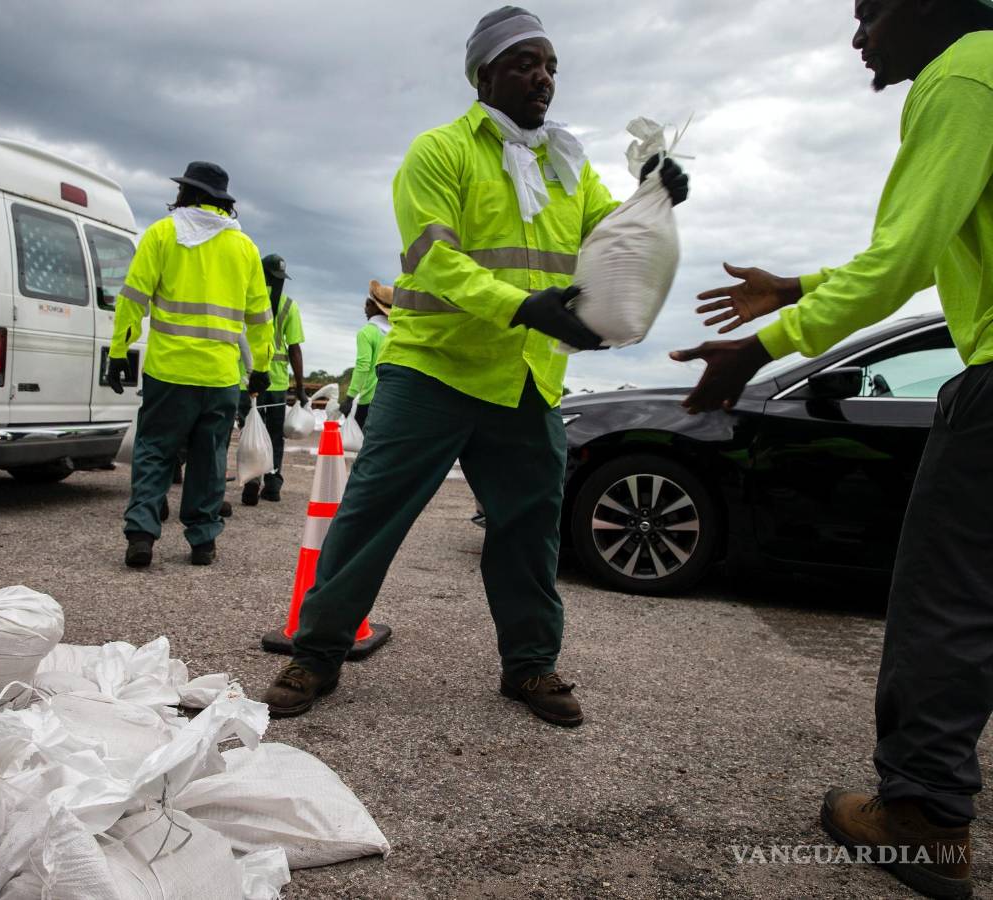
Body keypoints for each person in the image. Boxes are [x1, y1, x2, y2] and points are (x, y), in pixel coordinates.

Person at [262, 6, 687, 727]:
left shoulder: (567, 168)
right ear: (484, 72)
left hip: (524, 380)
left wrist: (655, 193)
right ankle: (316, 654)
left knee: (530, 530)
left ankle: (531, 668)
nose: (543, 77)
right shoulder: (440, 152)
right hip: (433, 369)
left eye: (551, 65)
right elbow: (436, 261)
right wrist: (524, 307)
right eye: (526, 62)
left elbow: (608, 240)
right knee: (370, 516)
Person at [671, 3, 993, 896]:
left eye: (872, 12)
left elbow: (901, 258)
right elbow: (933, 250)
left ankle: (923, 816)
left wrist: (761, 348)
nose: (860, 39)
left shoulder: (963, 72)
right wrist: (799, 286)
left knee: (948, 596)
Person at [108, 161, 272, 568]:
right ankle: (202, 540)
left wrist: (118, 352)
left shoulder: (163, 234)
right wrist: (262, 365)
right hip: (220, 377)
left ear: (185, 193)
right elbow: (260, 317)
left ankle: (142, 535)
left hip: (168, 372)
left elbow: (132, 298)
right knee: (209, 458)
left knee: (154, 452)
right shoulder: (244, 247)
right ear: (221, 202)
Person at [241, 254, 308, 505]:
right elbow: (295, 349)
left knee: (250, 431)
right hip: (277, 384)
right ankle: (272, 483)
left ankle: (251, 479)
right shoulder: (289, 305)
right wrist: (300, 388)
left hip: (246, 381)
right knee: (273, 435)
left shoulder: (247, 299)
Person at [339, 280, 393, 429]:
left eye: (367, 304)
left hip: (369, 400)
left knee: (363, 445)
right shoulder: (396, 334)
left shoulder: (367, 333)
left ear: (375, 307)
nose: (365, 308)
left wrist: (350, 397)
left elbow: (363, 366)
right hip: (391, 399)